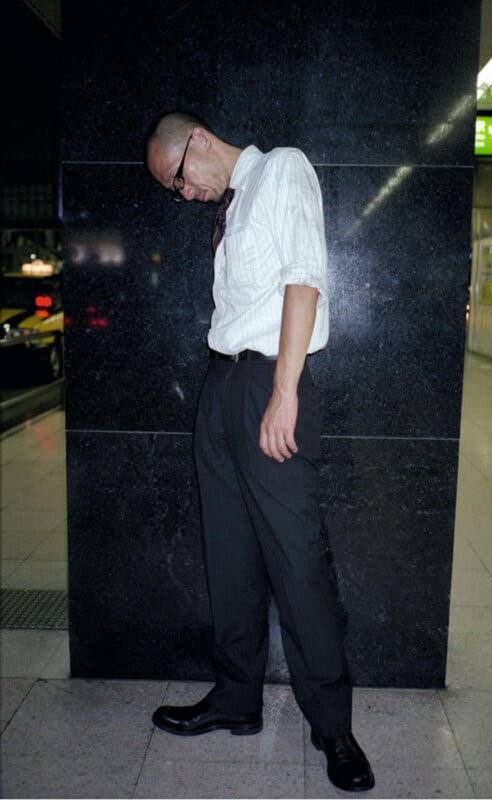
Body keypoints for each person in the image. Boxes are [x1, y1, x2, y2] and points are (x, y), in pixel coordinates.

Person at [145, 110, 374, 793]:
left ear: (199, 143)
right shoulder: (234, 207)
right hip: (223, 385)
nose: (184, 194)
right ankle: (237, 697)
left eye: (179, 179)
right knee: (231, 554)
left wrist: (284, 391)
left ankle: (332, 724)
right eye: (174, 190)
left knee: (297, 559)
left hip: (269, 382)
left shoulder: (282, 170)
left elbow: (304, 279)